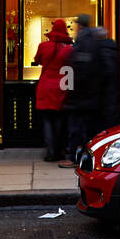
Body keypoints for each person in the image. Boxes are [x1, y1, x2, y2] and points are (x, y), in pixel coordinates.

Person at [58, 14, 101, 169]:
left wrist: (72, 91)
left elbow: (81, 70)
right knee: (84, 129)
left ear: (80, 25)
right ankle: (83, 157)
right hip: (88, 95)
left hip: (81, 97)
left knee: (77, 129)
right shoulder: (92, 40)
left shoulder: (84, 41)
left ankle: (74, 158)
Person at [32, 18, 73, 163]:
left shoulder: (43, 45)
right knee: (60, 120)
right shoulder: (69, 49)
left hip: (45, 86)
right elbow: (71, 69)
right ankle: (59, 150)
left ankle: (50, 152)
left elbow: (37, 60)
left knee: (47, 120)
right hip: (62, 86)